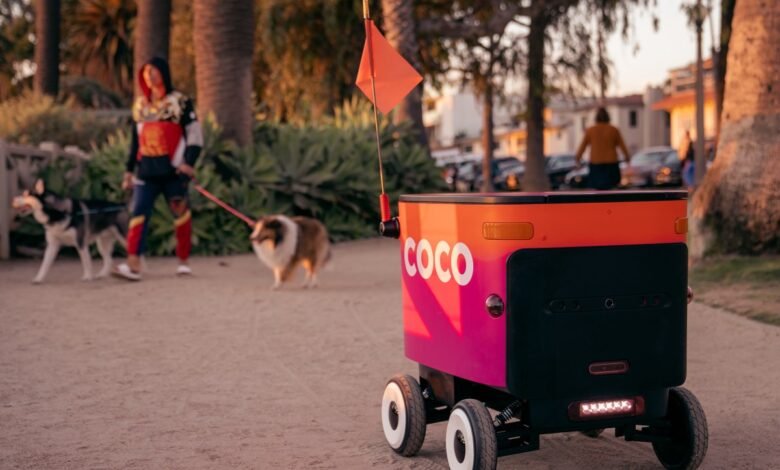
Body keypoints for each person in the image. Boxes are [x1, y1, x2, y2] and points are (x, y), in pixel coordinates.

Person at [113, 57, 203, 281]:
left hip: (174, 171)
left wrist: (189, 162)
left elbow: (194, 134)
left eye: (153, 71)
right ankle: (133, 264)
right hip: (146, 172)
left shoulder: (180, 102)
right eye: (145, 72)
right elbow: (135, 141)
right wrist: (129, 170)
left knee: (180, 213)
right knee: (138, 213)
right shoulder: (140, 106)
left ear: (163, 73)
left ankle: (183, 261)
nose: (149, 76)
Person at [575, 107, 631, 190]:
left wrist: (578, 158)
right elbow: (622, 145)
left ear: (596, 117)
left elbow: (582, 146)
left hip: (596, 164)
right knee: (612, 187)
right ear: (608, 117)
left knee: (597, 188)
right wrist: (627, 157)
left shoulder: (591, 130)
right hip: (611, 163)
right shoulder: (613, 130)